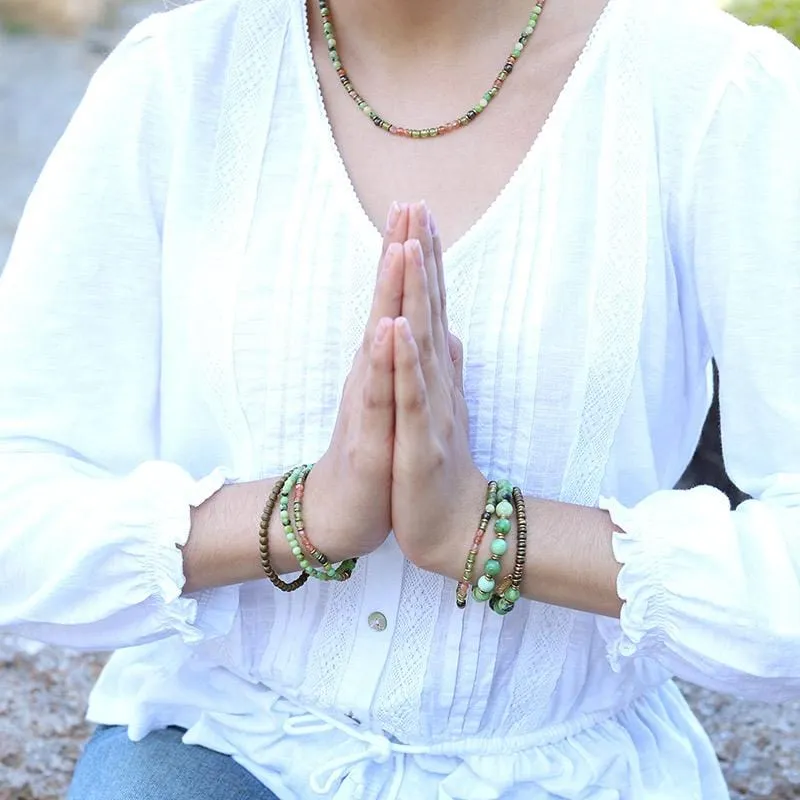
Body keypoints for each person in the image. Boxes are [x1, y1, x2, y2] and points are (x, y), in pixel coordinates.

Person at [0, 0, 798, 796]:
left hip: (571, 772)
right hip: (221, 742)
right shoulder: (174, 79)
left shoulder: (717, 94)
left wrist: (488, 531)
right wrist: (298, 518)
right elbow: (18, 500)